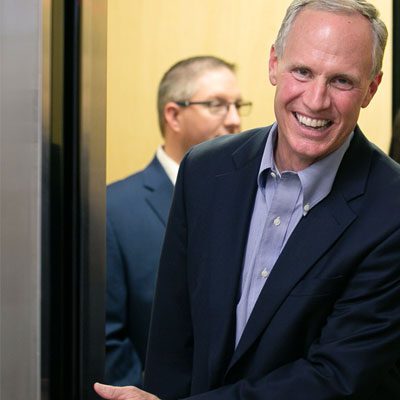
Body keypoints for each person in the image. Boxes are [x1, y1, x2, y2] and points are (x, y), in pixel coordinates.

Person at [96, 1, 400, 399]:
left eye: (342, 81)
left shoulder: (390, 209)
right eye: (302, 71)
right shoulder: (204, 170)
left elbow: (337, 378)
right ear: (274, 64)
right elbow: (173, 337)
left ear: (371, 89)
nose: (316, 99)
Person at [105, 55, 251, 387]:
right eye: (217, 105)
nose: (233, 120)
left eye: (238, 106)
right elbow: (107, 339)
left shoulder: (251, 201)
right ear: (173, 115)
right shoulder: (115, 209)